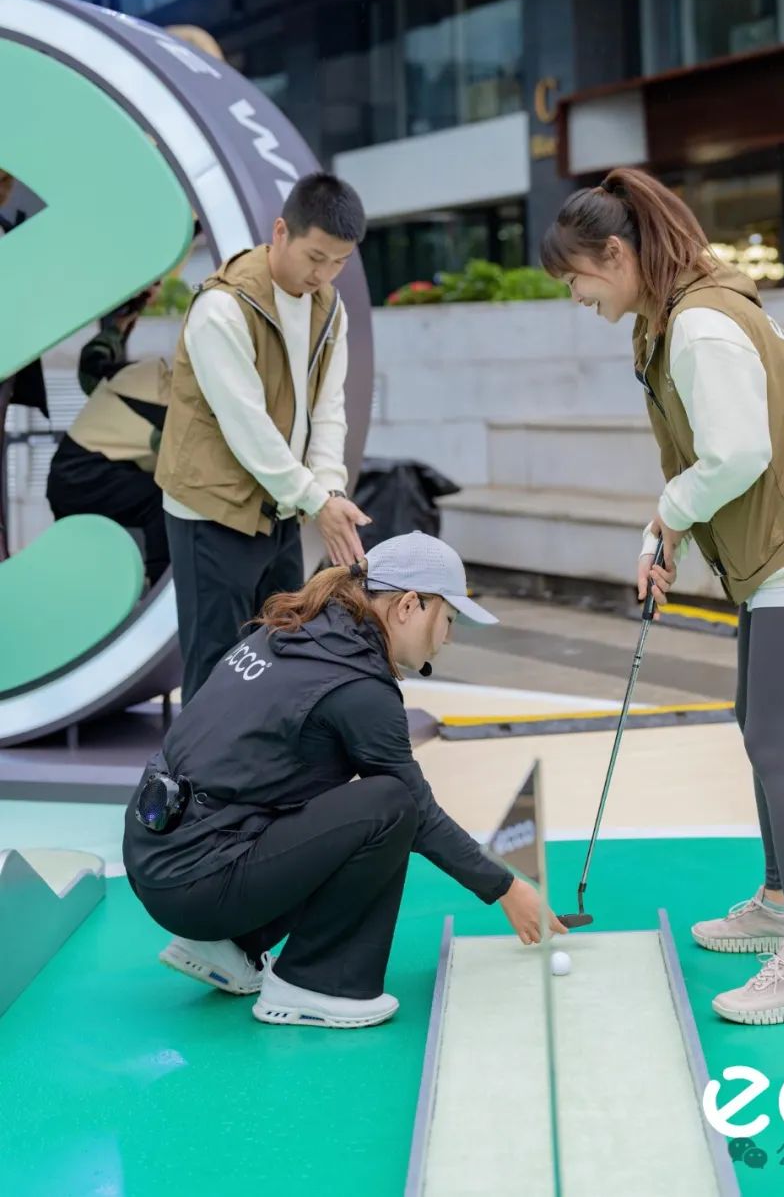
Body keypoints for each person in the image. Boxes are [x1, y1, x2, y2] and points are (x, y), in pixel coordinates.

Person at [541, 168, 784, 1027]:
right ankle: (778, 902)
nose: (575, 297)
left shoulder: (698, 326)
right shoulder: (669, 317)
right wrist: (665, 534)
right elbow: (705, 461)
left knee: (777, 743)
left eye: (576, 279)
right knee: (755, 722)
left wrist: (670, 514)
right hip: (781, 553)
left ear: (615, 255)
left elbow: (737, 455)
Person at [123, 533, 566, 1029]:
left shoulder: (291, 631)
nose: (448, 637)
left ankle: (231, 946)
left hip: (155, 852)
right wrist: (507, 888)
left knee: (339, 802)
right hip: (196, 881)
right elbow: (417, 812)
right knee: (391, 805)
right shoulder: (358, 686)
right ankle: (316, 982)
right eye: (449, 618)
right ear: (409, 605)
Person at [156, 173, 369, 702]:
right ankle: (199, 761)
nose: (323, 274)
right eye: (315, 257)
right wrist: (316, 500)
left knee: (278, 660)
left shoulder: (329, 309)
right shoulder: (222, 307)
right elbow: (246, 425)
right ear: (280, 232)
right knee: (216, 671)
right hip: (212, 510)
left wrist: (330, 489)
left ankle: (263, 760)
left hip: (279, 509)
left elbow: (329, 410)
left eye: (339, 262)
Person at [47, 289, 171, 585]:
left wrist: (118, 325)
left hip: (68, 476)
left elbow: (92, 364)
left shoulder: (136, 374)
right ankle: (162, 583)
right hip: (86, 479)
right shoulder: (171, 413)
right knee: (162, 498)